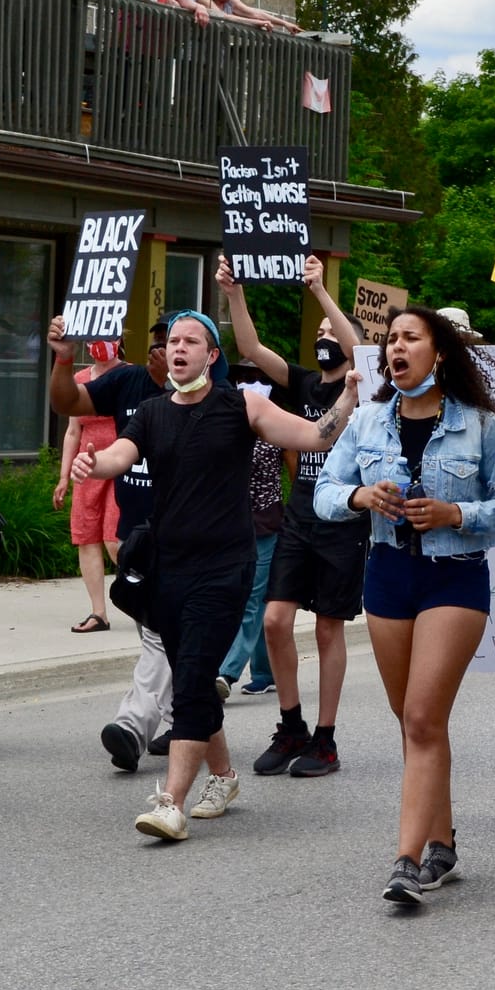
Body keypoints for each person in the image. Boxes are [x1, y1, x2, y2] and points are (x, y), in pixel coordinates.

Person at [72, 312, 334, 842]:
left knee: (192, 675)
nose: (178, 349)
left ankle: (171, 802)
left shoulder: (242, 404)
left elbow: (314, 437)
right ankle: (225, 776)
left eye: (191, 341)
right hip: (168, 568)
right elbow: (120, 456)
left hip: (225, 567)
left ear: (212, 355)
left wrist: (348, 399)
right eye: (172, 341)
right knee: (189, 677)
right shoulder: (149, 412)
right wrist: (92, 464)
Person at [317, 305, 495, 905]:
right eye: (392, 340)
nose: (397, 348)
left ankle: (406, 861)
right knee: (414, 721)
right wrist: (362, 495)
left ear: (440, 352)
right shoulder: (365, 422)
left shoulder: (480, 425)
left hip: (454, 578)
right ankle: (443, 842)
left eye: (412, 338)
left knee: (421, 718)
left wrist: (454, 514)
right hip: (387, 575)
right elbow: (324, 495)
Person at [218, 255, 367, 776]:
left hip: (343, 522)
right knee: (276, 620)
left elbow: (356, 350)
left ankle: (324, 740)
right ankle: (291, 725)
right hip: (298, 518)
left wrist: (321, 293)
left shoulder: (363, 390)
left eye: (332, 329)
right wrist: (235, 293)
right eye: (320, 329)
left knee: (329, 629)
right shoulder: (304, 385)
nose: (324, 334)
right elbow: (252, 350)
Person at [50, 316, 176, 770]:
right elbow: (69, 403)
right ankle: (191, 713)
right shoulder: (126, 382)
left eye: (182, 342)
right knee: (158, 633)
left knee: (161, 636)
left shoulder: (214, 396)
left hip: (188, 539)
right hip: (139, 536)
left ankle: (132, 724)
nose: (169, 351)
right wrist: (64, 356)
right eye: (162, 341)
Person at [214, 364, 284, 697]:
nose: (250, 384)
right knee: (254, 597)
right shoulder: (227, 426)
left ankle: (225, 673)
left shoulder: (276, 427)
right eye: (243, 379)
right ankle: (266, 670)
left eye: (258, 379)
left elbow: (297, 475)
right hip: (230, 524)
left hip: (266, 524)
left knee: (251, 598)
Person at [53, 338, 125, 634]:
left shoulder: (131, 376)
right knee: (87, 536)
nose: (99, 344)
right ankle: (99, 613)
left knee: (114, 539)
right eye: (94, 337)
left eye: (107, 337)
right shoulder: (79, 381)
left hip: (122, 462)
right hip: (86, 468)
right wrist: (63, 475)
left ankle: (147, 596)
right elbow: (72, 432)